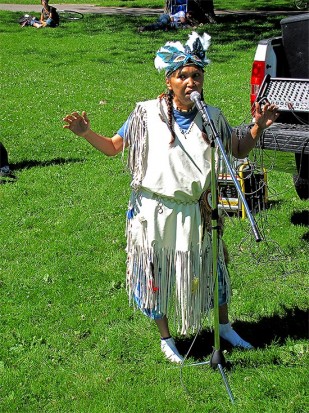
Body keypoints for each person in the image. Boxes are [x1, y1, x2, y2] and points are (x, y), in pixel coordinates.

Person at [63, 32, 280, 363]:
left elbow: (236, 149)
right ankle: (166, 338)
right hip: (155, 210)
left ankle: (224, 327)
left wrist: (257, 128)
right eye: (183, 76)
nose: (191, 81)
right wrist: (85, 133)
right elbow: (112, 148)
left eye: (196, 75)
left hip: (198, 210)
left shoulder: (213, 116)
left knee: (214, 270)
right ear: (169, 80)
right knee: (157, 273)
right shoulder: (146, 114)